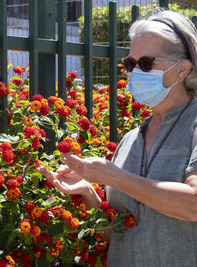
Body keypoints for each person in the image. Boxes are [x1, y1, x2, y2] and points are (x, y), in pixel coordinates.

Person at [37, 10, 197, 266]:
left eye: (146, 64)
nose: (135, 73)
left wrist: (115, 177)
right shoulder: (132, 138)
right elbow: (119, 235)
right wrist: (89, 190)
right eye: (130, 64)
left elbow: (193, 205)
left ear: (182, 70)